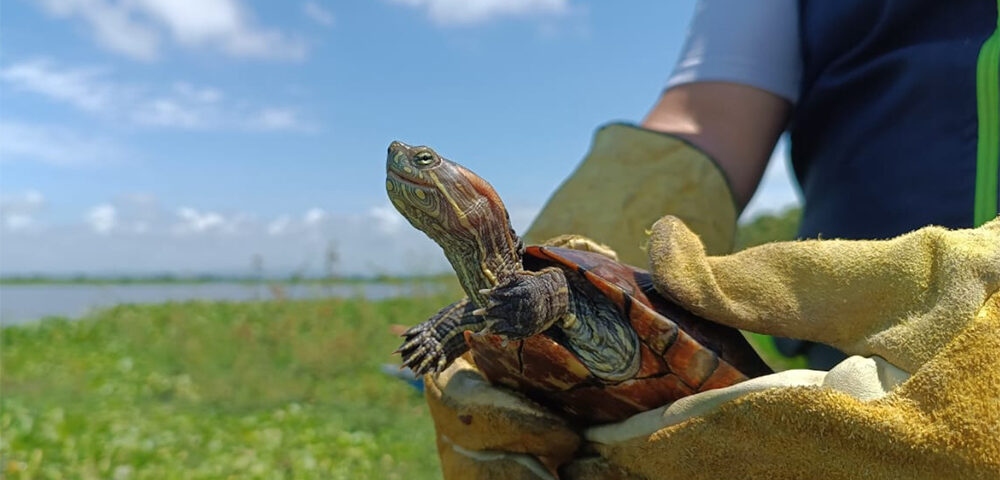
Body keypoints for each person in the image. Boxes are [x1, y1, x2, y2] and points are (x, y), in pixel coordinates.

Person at [422, 1, 1000, 478]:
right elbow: (705, 117)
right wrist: (448, 330)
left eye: (426, 164)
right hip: (840, 352)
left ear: (476, 205)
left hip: (875, 345)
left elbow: (552, 290)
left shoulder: (536, 291)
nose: (406, 164)